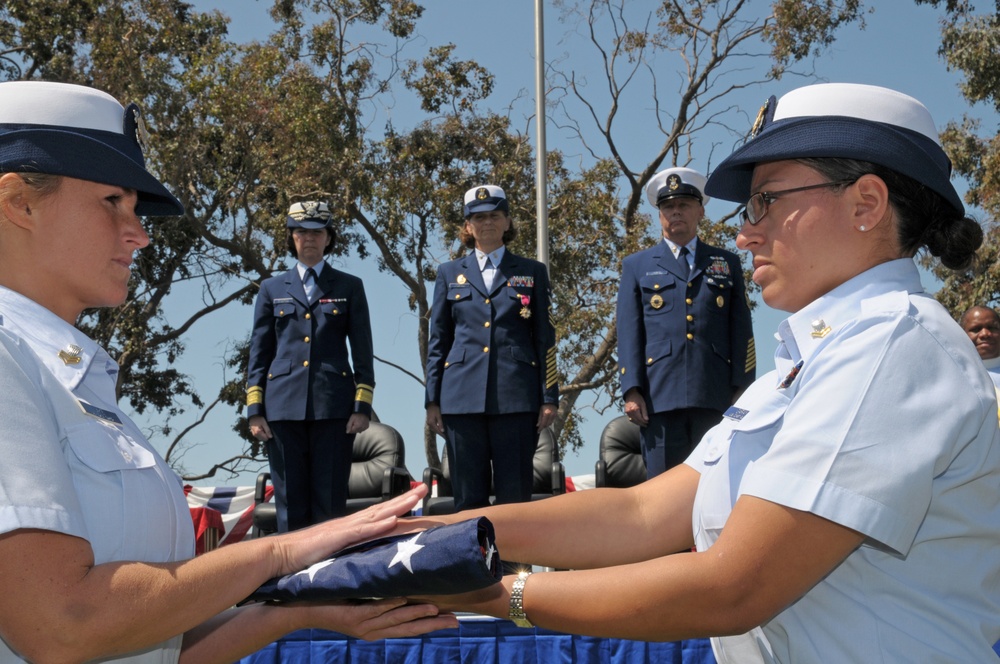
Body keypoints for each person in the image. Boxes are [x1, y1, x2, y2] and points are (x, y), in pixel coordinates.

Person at [405, 83, 1000, 663]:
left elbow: (733, 586)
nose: (744, 233)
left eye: (768, 201)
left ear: (866, 204)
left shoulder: (893, 345)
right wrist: (434, 535)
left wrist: (494, 594)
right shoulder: (803, 369)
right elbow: (642, 516)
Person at [0, 80, 456, 663]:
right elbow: (65, 625)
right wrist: (284, 553)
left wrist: (310, 606)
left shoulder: (69, 378)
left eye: (137, 209)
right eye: (113, 202)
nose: (139, 233)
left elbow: (162, 646)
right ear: (20, 202)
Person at [424, 185, 559, 510]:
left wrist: (549, 396)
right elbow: (438, 341)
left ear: (508, 222)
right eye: (479, 217)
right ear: (468, 226)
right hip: (461, 401)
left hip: (516, 399)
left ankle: (514, 564)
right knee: (468, 501)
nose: (487, 223)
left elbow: (546, 340)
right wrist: (432, 400)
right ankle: (472, 563)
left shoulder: (532, 272)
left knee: (516, 499)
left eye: (494, 216)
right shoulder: (448, 273)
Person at [617, 166, 756, 478]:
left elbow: (741, 330)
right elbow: (628, 333)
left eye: (684, 205)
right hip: (658, 399)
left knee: (716, 486)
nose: (675, 212)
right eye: (668, 207)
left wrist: (743, 388)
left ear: (701, 211)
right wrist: (631, 390)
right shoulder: (637, 266)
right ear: (660, 215)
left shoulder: (726, 263)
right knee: (662, 496)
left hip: (715, 396)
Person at [246, 201, 375, 532]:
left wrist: (362, 406)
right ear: (292, 238)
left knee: (329, 500)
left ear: (328, 238)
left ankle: (328, 578)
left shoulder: (349, 286)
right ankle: (293, 580)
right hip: (282, 408)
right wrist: (255, 410)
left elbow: (362, 351)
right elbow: (260, 352)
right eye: (302, 232)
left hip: (333, 407)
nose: (309, 239)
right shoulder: (272, 289)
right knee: (289, 501)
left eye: (317, 232)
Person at [959, 305, 1000, 388]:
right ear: (962, 335)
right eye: (976, 329)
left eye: (992, 328)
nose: (985, 334)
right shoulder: (954, 378)